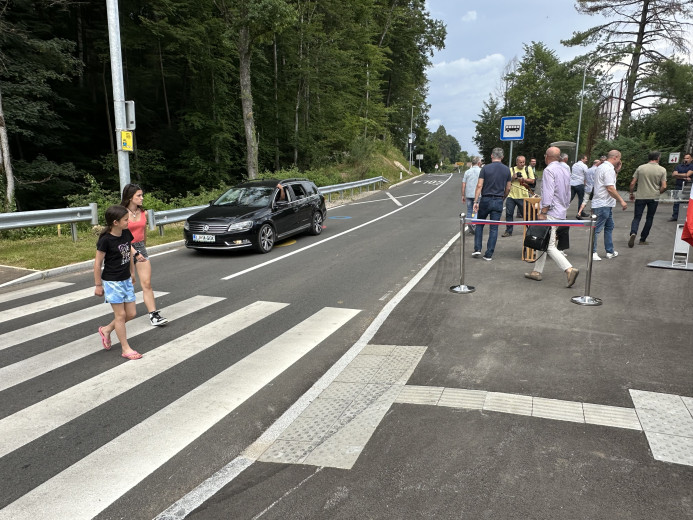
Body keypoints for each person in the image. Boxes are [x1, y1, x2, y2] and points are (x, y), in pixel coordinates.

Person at [95, 205, 147, 360]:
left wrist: (132, 271)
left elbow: (128, 249)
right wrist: (98, 285)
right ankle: (126, 349)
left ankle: (106, 329)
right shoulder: (105, 240)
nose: (128, 221)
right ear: (115, 222)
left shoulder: (125, 232)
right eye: (125, 219)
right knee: (120, 315)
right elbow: (97, 263)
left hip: (125, 279)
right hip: (112, 281)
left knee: (131, 313)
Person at [524, 147, 579, 287]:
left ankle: (569, 269)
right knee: (542, 239)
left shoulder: (549, 170)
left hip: (550, 212)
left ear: (547, 156)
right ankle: (537, 271)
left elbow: (548, 193)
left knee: (549, 245)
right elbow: (568, 192)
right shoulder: (565, 170)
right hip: (561, 211)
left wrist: (543, 211)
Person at [121, 184, 168, 326]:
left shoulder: (143, 213)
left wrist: (142, 248)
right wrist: (134, 253)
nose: (142, 198)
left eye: (142, 195)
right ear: (130, 197)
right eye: (139, 196)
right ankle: (120, 314)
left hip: (140, 247)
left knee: (146, 283)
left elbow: (143, 232)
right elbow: (120, 237)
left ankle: (154, 315)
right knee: (125, 284)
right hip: (124, 248)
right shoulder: (121, 213)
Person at [472, 147, 512, 260]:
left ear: (491, 156)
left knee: (480, 224)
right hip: (498, 200)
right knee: (494, 228)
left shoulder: (485, 169)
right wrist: (503, 197)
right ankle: (489, 254)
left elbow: (479, 185)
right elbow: (508, 188)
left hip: (485, 199)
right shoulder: (506, 170)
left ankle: (477, 249)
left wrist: (476, 201)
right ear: (502, 157)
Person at [591, 150, 627, 261]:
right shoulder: (608, 169)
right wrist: (621, 200)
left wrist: (617, 171)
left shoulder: (602, 167)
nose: (620, 160)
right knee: (597, 229)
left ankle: (610, 251)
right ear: (616, 157)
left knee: (609, 226)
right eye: (619, 158)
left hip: (604, 203)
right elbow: (610, 188)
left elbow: (609, 183)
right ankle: (592, 252)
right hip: (603, 203)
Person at [628, 151, 667, 247]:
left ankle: (633, 232)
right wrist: (659, 192)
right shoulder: (662, 170)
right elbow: (664, 186)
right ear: (658, 158)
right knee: (649, 217)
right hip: (654, 196)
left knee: (637, 217)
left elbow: (632, 183)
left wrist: (631, 193)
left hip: (641, 195)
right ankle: (642, 239)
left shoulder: (641, 168)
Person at [501, 155, 535, 237]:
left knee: (526, 215)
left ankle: (529, 231)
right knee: (509, 214)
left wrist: (524, 179)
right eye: (520, 162)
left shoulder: (528, 169)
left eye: (523, 162)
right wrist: (513, 177)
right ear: (516, 162)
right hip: (511, 196)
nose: (522, 164)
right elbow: (506, 181)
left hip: (523, 196)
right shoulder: (511, 170)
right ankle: (508, 231)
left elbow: (532, 181)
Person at [669, 153, 693, 221]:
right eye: (685, 158)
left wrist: (678, 175)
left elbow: (688, 174)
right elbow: (673, 174)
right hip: (678, 185)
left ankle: (687, 217)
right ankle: (675, 216)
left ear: (691, 159)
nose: (686, 159)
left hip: (688, 187)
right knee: (677, 201)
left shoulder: (691, 166)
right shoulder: (679, 166)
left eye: (688, 158)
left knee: (687, 202)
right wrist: (685, 177)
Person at [462, 157, 482, 234]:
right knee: (476, 210)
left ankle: (469, 223)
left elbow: (464, 184)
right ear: (479, 163)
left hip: (469, 194)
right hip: (478, 194)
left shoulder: (467, 172)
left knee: (470, 210)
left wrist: (463, 195)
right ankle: (474, 224)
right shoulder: (481, 171)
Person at [570, 154, 588, 218]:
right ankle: (580, 212)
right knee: (581, 199)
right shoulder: (584, 166)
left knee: (570, 198)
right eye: (585, 159)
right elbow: (587, 174)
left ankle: (562, 211)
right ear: (582, 159)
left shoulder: (574, 165)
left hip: (572, 183)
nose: (586, 160)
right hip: (580, 183)